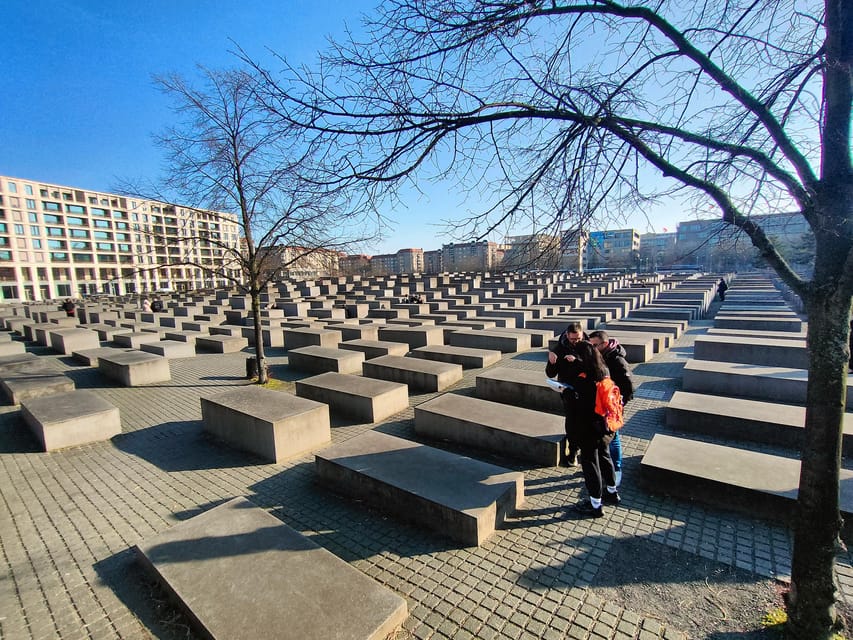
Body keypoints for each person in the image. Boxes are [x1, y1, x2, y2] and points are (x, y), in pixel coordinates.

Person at [563, 340, 620, 518]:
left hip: (589, 429)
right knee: (605, 457)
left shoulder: (584, 379)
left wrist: (565, 393)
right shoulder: (603, 370)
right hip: (606, 426)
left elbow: (576, 405)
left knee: (590, 464)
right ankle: (612, 492)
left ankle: (595, 505)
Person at [589, 330, 634, 487]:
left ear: (605, 344)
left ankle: (617, 468)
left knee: (614, 438)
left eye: (595, 345)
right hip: (600, 406)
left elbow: (629, 389)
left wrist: (616, 405)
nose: (592, 348)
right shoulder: (598, 356)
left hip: (612, 408)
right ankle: (604, 466)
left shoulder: (617, 361)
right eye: (590, 345)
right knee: (603, 438)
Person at [545, 321, 588, 466]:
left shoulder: (589, 346)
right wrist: (551, 362)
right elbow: (551, 373)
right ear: (566, 336)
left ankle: (586, 451)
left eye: (578, 339)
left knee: (585, 422)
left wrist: (577, 361)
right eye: (573, 339)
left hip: (587, 391)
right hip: (568, 392)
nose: (576, 342)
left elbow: (594, 368)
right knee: (572, 422)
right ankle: (573, 452)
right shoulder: (559, 349)